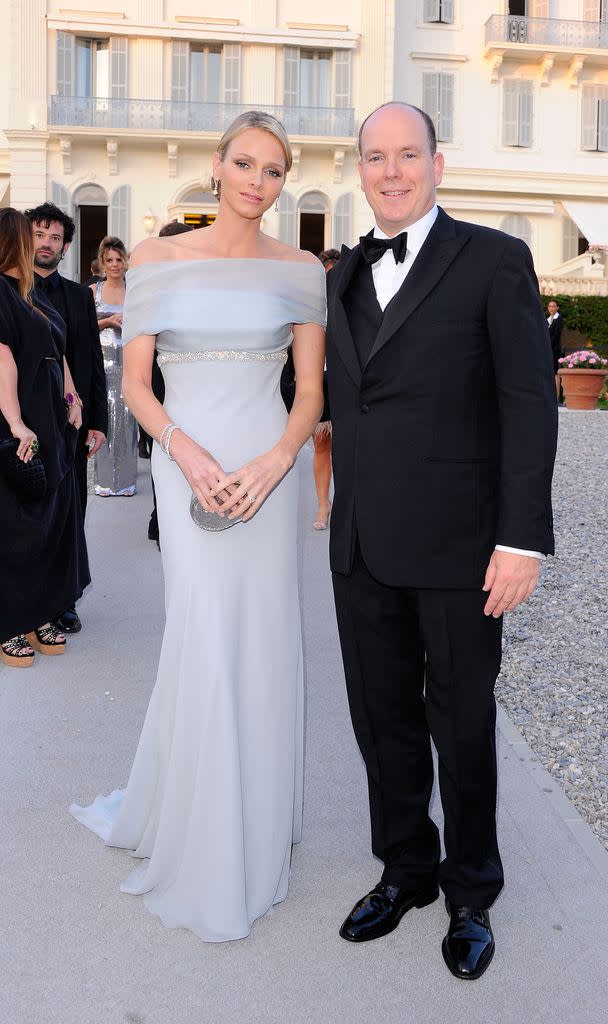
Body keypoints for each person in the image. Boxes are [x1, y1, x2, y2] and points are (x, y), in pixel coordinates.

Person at [70, 110, 326, 942]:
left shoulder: (300, 270)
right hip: (189, 471)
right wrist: (186, 453)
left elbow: (312, 395)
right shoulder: (155, 259)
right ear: (217, 166)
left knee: (262, 637)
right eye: (245, 163)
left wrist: (275, 462)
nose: (258, 181)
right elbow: (139, 386)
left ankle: (252, 821)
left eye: (275, 170)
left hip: (268, 473)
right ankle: (204, 833)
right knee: (204, 634)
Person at [325, 103, 557, 980]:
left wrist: (521, 540)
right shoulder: (341, 273)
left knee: (460, 725)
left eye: (407, 155)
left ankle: (470, 893)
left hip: (464, 550)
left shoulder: (495, 260)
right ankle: (406, 870)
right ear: (360, 170)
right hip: (363, 546)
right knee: (380, 722)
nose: (392, 171)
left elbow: (528, 405)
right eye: (376, 158)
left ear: (437, 162)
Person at [0, 208, 90, 667]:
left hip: (54, 420)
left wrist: (73, 397)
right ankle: (10, 622)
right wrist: (15, 423)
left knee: (50, 521)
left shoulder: (31, 293)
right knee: (19, 527)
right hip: (23, 419)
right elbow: (3, 361)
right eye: (28, 235)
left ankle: (37, 614)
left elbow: (60, 350)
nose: (38, 243)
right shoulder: (0, 292)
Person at [25, 201, 108, 635]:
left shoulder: (79, 296)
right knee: (30, 513)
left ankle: (64, 601)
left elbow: (90, 360)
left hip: (71, 427)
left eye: (55, 237)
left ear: (65, 246)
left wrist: (99, 422)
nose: (46, 243)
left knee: (71, 512)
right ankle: (27, 602)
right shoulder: (10, 290)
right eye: (39, 235)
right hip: (23, 423)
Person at [280, 247, 340, 529]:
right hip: (320, 380)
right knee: (322, 446)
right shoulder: (307, 305)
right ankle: (322, 505)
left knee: (350, 449)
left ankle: (347, 504)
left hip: (346, 382)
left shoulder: (353, 304)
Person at [145, 220, 194, 547]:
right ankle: (161, 518)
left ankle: (168, 518)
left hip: (186, 382)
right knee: (162, 449)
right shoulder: (153, 287)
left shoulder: (197, 285)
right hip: (155, 381)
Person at [92, 236, 137, 496]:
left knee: (128, 421)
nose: (115, 264)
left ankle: (127, 482)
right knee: (104, 420)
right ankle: (104, 481)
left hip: (129, 362)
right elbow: (84, 327)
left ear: (125, 261)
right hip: (102, 364)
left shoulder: (134, 291)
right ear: (102, 263)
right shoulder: (93, 292)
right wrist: (108, 321)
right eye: (109, 260)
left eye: (119, 259)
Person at [547, 298, 564, 400]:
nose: (551, 308)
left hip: (555, 350)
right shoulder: (548, 319)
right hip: (548, 350)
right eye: (549, 306)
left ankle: (557, 396)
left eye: (553, 306)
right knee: (550, 373)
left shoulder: (559, 319)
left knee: (556, 373)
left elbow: (556, 336)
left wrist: (548, 345)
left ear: (557, 308)